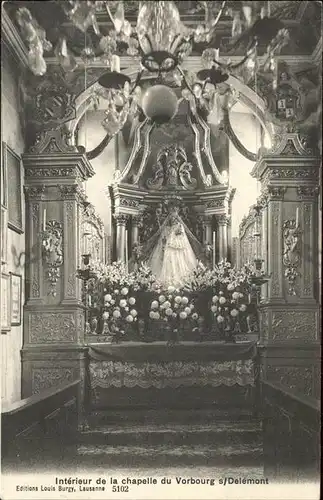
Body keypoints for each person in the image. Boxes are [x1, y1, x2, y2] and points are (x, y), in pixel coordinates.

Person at [148, 208, 198, 286]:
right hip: (169, 247)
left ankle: (180, 280)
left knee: (179, 262)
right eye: (171, 218)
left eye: (175, 218)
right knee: (168, 261)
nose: (173, 219)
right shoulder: (166, 228)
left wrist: (177, 235)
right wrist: (164, 242)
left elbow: (182, 237)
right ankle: (168, 281)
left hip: (177, 247)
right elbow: (163, 239)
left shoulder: (180, 226)